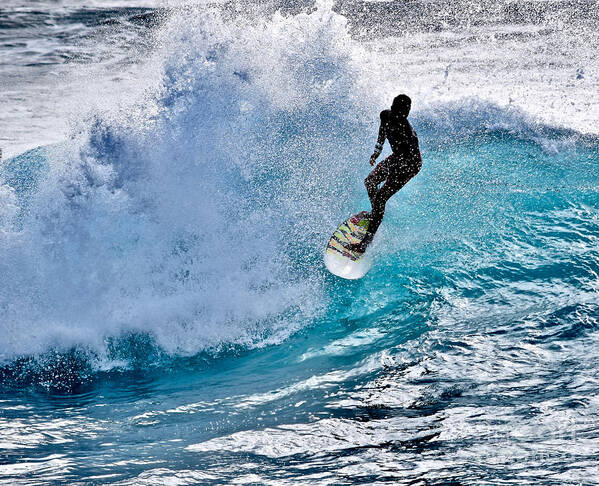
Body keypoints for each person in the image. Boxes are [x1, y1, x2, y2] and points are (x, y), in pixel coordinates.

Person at [347, 94, 422, 253]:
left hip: (410, 163)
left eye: (405, 113)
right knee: (370, 182)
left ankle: (365, 243)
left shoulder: (407, 132)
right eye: (399, 112)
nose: (402, 116)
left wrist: (390, 173)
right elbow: (382, 133)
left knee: (381, 197)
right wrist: (376, 152)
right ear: (392, 108)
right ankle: (375, 214)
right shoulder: (385, 115)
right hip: (398, 158)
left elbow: (405, 160)